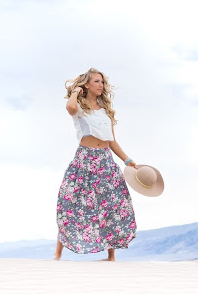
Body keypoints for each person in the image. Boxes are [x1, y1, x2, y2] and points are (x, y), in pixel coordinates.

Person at [54, 68, 138, 261]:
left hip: (105, 161)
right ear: (87, 84)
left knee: (111, 206)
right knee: (71, 205)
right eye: (97, 81)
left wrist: (127, 160)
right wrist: (77, 91)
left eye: (102, 82)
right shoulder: (79, 107)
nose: (101, 85)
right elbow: (70, 107)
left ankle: (111, 256)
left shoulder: (106, 111)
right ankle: (57, 254)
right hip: (85, 160)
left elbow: (112, 141)